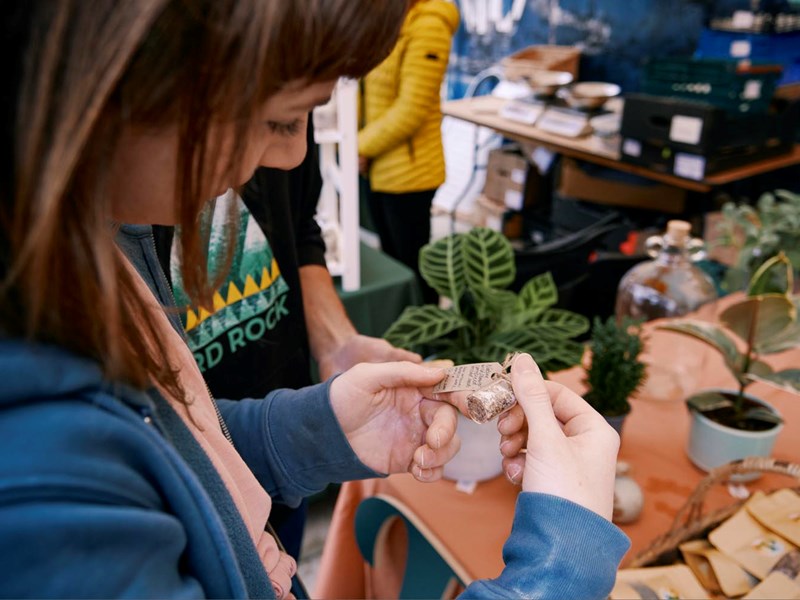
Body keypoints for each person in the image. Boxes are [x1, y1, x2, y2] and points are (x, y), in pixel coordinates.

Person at [0, 1, 629, 599]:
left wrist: (311, 432)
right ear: (127, 74)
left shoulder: (97, 235)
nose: (294, 154)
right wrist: (562, 561)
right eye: (279, 118)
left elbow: (167, 448)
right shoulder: (37, 470)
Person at [151, 119, 420, 561]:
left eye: (308, 114)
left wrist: (335, 345)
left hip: (273, 440)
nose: (291, 155)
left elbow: (299, 226)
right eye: (280, 120)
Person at [358, 0, 460, 304]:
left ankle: (429, 340)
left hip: (411, 172)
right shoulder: (388, 22)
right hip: (375, 164)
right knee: (392, 261)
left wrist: (359, 146)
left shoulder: (430, 25)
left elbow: (411, 110)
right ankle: (404, 334)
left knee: (415, 265)